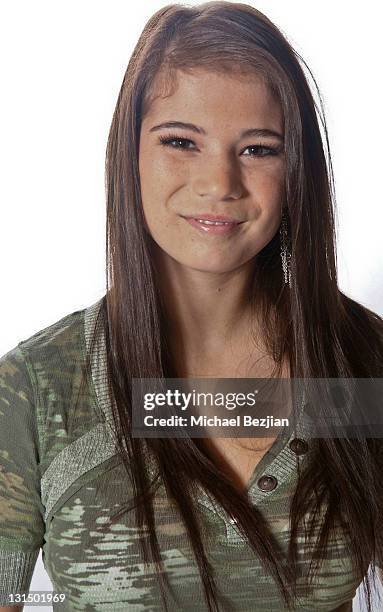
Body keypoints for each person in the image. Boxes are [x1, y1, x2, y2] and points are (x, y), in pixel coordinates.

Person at [1, 2, 383, 611]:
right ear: (131, 155)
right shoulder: (33, 389)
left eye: (258, 148)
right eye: (181, 141)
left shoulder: (367, 364)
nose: (219, 183)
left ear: (298, 169)